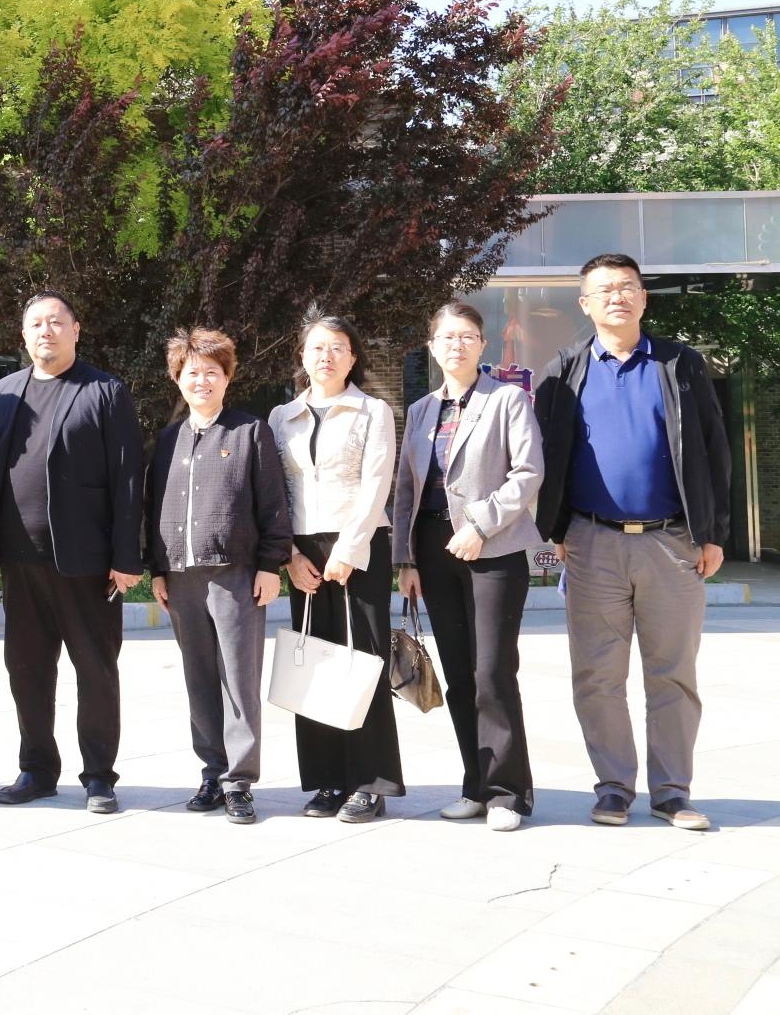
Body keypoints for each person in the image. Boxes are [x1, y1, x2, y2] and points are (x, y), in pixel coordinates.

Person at [534, 252, 729, 832]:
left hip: (672, 542)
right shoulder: (563, 370)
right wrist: (556, 530)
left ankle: (672, 792)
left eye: (627, 287)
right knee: (597, 676)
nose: (617, 296)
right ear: (585, 304)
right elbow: (545, 455)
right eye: (605, 289)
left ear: (643, 298)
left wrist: (713, 533)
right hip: (592, 543)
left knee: (673, 673)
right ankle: (614, 788)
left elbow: (714, 448)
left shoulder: (680, 363)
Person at [0, 291, 143, 815]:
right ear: (23, 335)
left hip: (87, 563)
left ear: (75, 330)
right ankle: (37, 769)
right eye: (36, 324)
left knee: (96, 670)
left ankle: (99, 776)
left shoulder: (104, 392)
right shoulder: (2, 395)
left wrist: (126, 557)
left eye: (56, 322)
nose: (46, 331)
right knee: (26, 670)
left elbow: (128, 478)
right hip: (19, 561)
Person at [394, 302, 544, 833]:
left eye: (467, 336)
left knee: (492, 673)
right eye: (446, 337)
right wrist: (406, 559)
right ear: (431, 347)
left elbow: (528, 472)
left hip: (493, 548)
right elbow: (407, 488)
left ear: (482, 345)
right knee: (458, 674)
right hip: (434, 550)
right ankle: (475, 786)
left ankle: (508, 793)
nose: (456, 345)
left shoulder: (507, 399)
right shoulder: (421, 410)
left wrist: (480, 525)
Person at [144, 328, 290, 825]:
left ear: (227, 377)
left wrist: (270, 564)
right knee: (199, 678)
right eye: (192, 372)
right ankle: (212, 771)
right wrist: (157, 570)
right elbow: (154, 508)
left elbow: (272, 504)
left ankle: (239, 781)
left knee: (238, 679)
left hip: (236, 575)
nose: (201, 381)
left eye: (212, 372)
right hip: (180, 577)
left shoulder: (249, 432)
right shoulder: (169, 440)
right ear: (177, 379)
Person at [267, 311, 402, 823]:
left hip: (359, 546)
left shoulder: (373, 411)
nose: (327, 356)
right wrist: (289, 555)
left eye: (338, 347)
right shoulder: (282, 417)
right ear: (302, 356)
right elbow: (274, 492)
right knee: (314, 662)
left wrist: (348, 549)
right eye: (317, 347)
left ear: (353, 357)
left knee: (362, 662)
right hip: (303, 550)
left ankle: (369, 782)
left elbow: (376, 483)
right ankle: (326, 779)